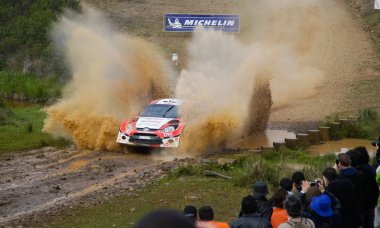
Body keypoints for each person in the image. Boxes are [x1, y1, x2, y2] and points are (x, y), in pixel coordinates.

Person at [352, 146, 379, 228]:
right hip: (370, 202)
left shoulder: (357, 171)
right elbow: (375, 186)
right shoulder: (371, 168)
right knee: (370, 222)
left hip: (361, 203)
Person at [336, 152, 364, 224]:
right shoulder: (360, 174)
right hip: (359, 208)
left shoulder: (339, 178)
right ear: (350, 162)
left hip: (346, 213)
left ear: (339, 164)